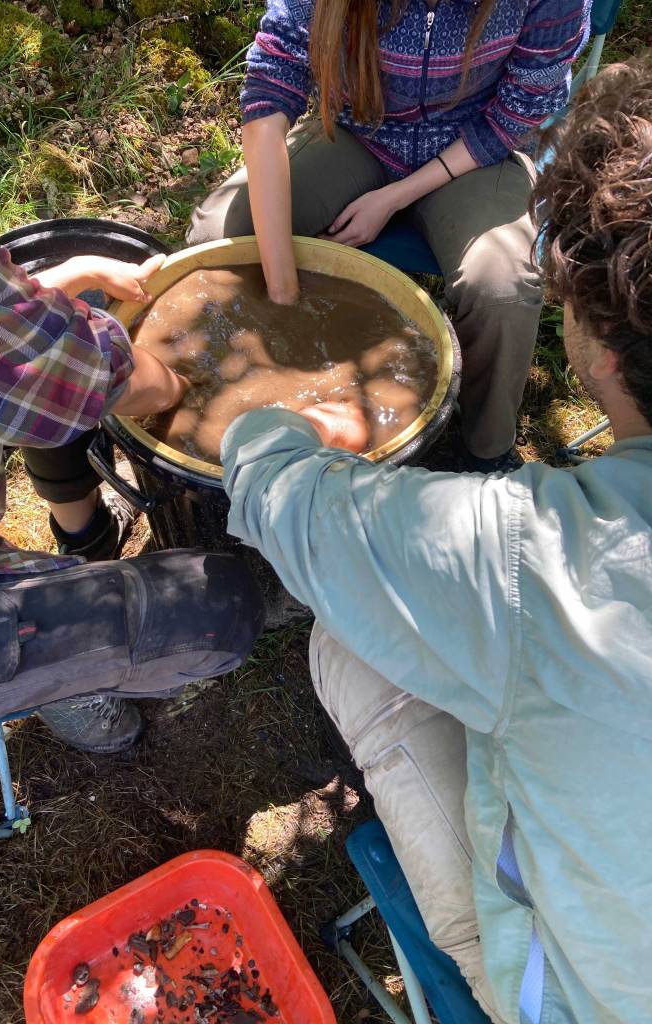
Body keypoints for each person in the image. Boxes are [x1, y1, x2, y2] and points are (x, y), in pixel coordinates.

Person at [218, 57, 652, 1024]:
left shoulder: (529, 555)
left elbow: (289, 501)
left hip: (576, 997)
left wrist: (268, 420)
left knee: (346, 638)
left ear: (584, 323)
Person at [0, 0, 264, 755]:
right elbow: (102, 383)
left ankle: (76, 551)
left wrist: (57, 283)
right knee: (224, 606)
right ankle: (76, 703)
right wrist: (185, 381)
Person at [187, 0, 591, 474]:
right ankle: (219, 407)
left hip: (476, 152)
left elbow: (522, 108)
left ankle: (485, 451)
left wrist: (395, 197)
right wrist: (282, 291)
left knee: (502, 287)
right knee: (218, 234)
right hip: (360, 130)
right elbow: (272, 85)